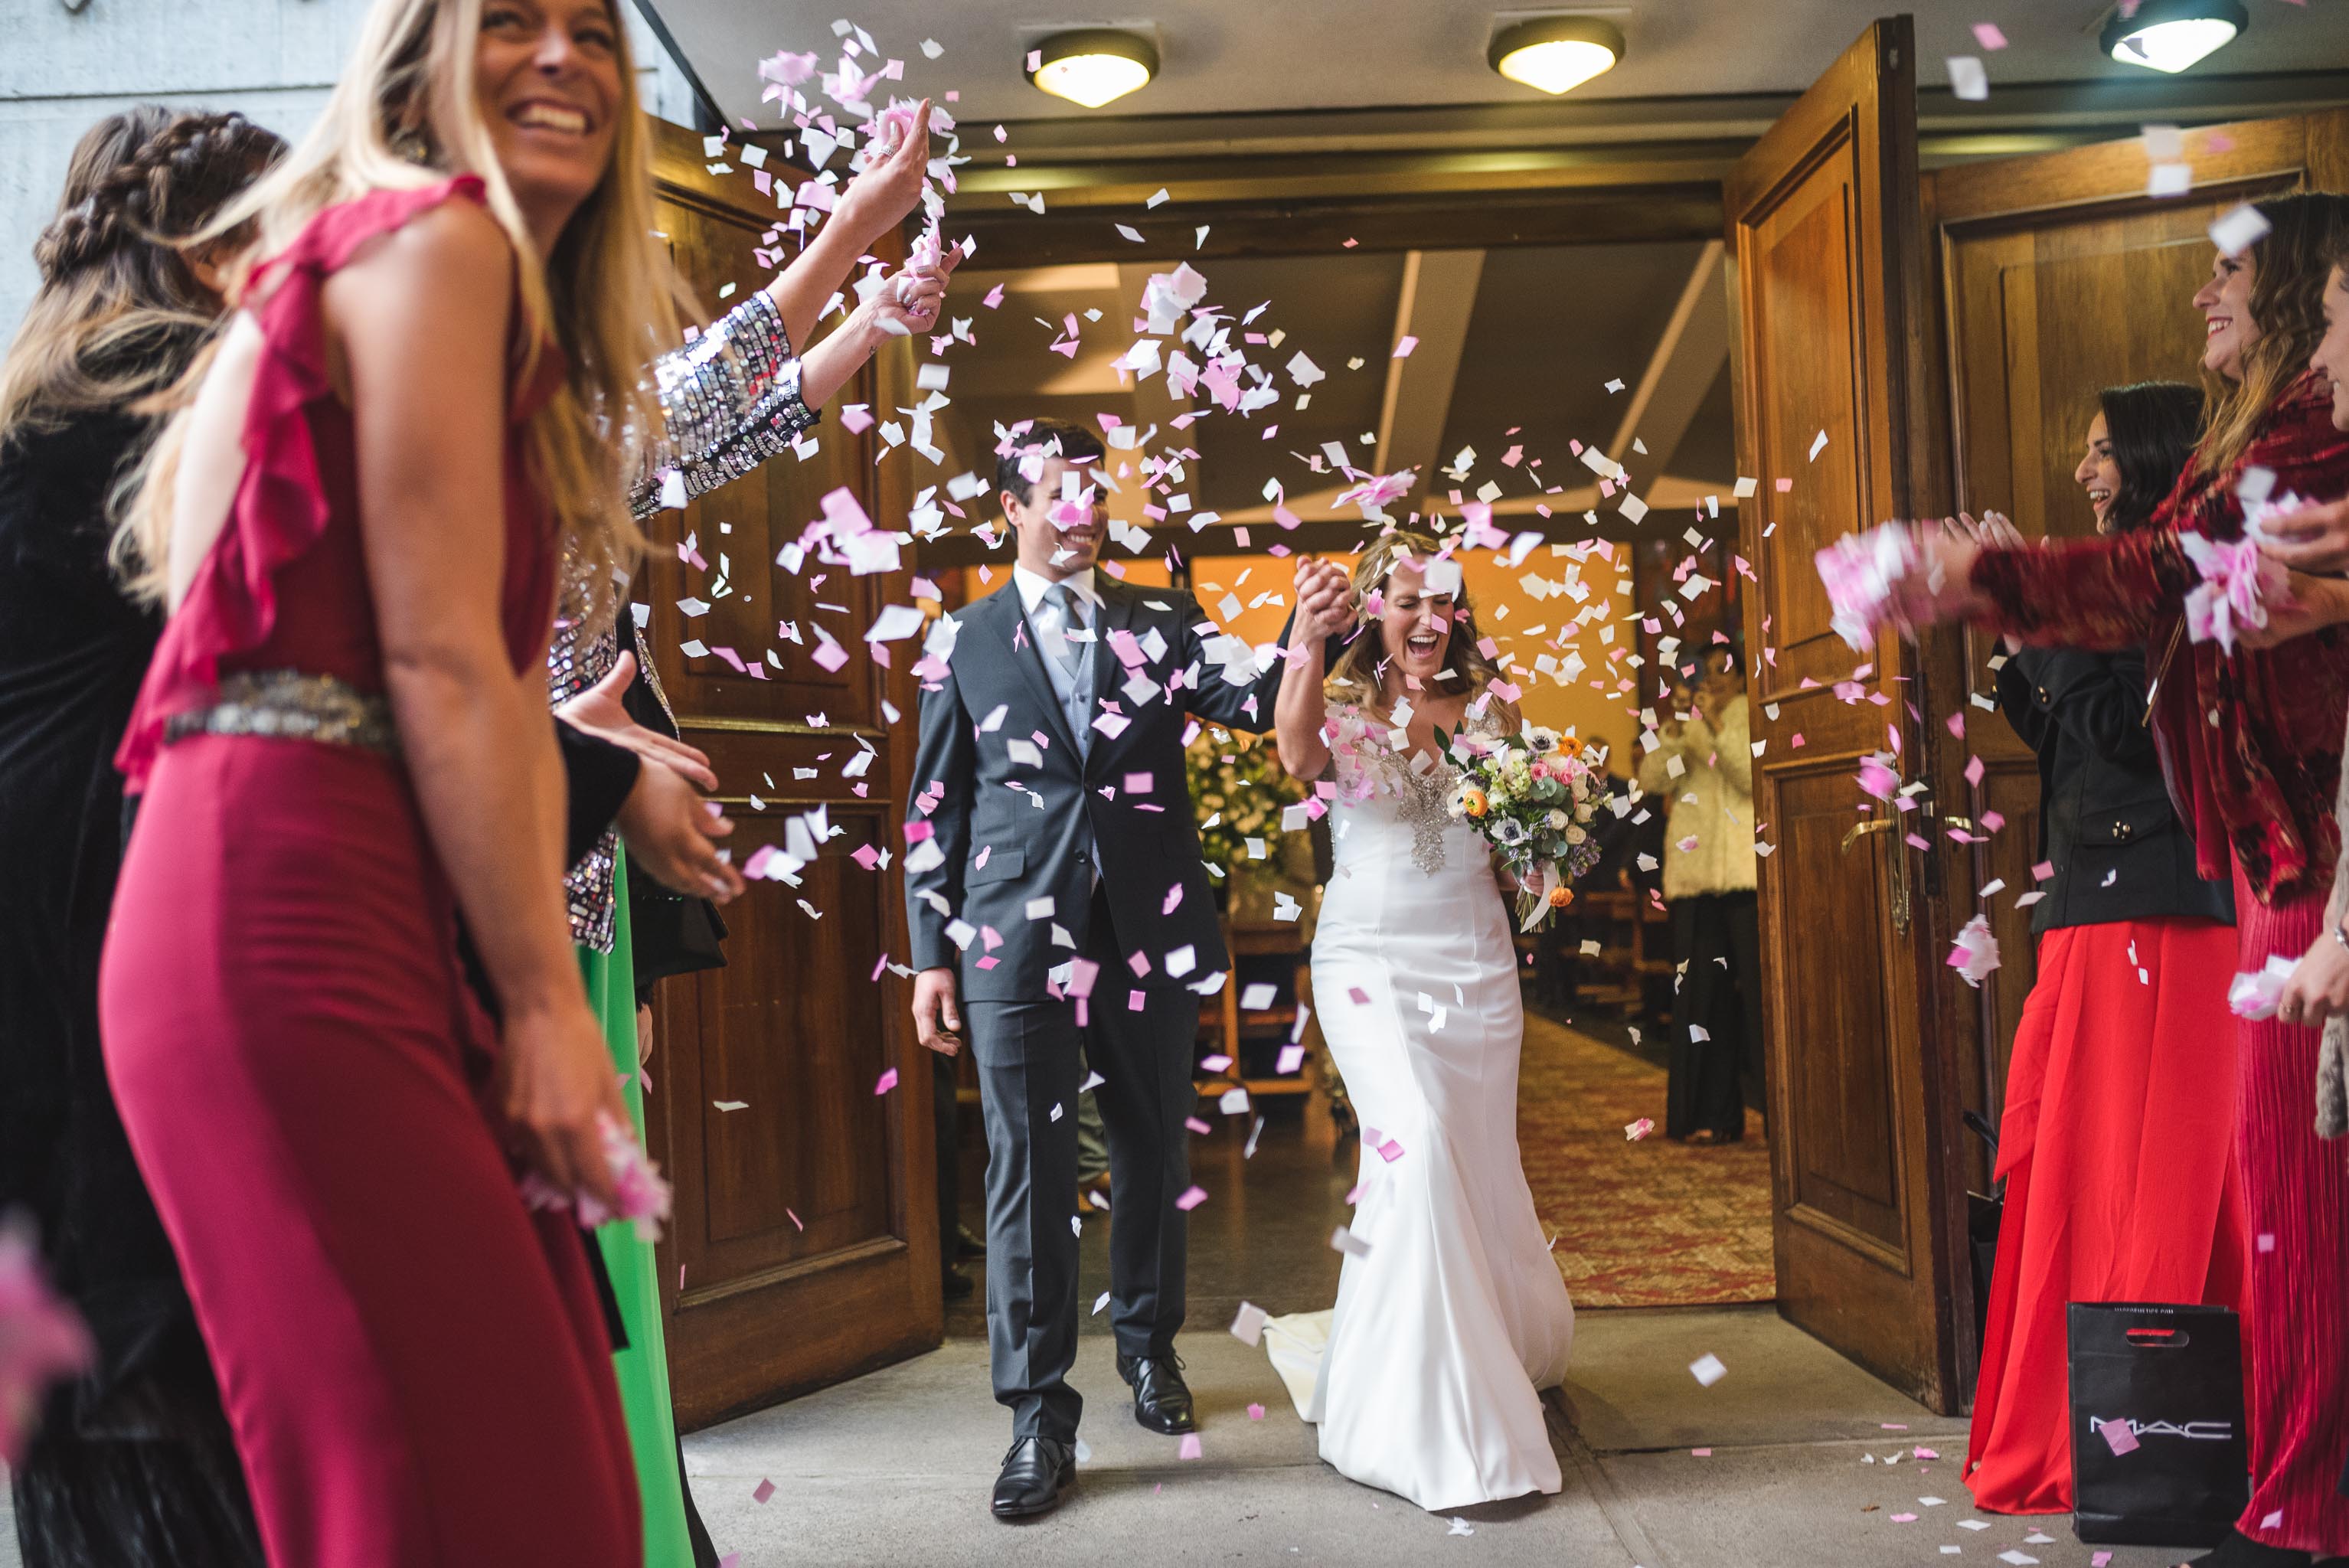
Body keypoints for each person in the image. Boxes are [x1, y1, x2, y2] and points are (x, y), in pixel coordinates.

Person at [1880, 191, 2349, 1568]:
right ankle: (2292, 1490)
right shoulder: (2257, 443)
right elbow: (2169, 587)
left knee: (2296, 1205)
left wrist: (1989, 577)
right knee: (2282, 1203)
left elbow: (2166, 583)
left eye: (2238, 279)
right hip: (2276, 855)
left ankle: (2300, 1507)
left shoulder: (2307, 444)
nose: (2206, 295)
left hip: (2294, 858)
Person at [902, 417, 1297, 1520]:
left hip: (1148, 920)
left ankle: (1148, 1350)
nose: (1083, 507)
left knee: (1151, 1144)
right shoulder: (962, 639)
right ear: (1011, 512)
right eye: (1058, 491)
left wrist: (1308, 634)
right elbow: (936, 803)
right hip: (1009, 932)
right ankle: (1036, 1412)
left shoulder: (1163, 618)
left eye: (1094, 488)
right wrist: (930, 951)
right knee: (1026, 1163)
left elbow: (1258, 701)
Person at [0, 105, 286, 1568]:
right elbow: (315, 673)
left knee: (75, 1435)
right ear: (205, 246)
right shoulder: (196, 399)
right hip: (131, 914)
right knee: (203, 1402)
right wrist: (586, 766)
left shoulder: (23, 412)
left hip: (24, 978)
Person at [1962, 382, 2244, 1517]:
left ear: (2146, 456)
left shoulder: (2178, 579)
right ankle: (2106, 1421)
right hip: (2097, 910)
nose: (2083, 474)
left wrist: (2035, 608)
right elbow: (2068, 736)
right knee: (2086, 1162)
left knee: (2151, 1180)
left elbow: (2128, 738)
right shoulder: (2128, 579)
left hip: (2160, 922)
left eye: (2097, 454)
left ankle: (2165, 1440)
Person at [1263, 531, 1575, 1512]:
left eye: (1443, 600)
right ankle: (1418, 1407)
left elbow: (1517, 830)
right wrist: (1306, 644)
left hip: (1477, 965)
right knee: (1419, 1151)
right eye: (1406, 601)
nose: (1428, 619)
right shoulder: (1342, 702)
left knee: (1474, 1156)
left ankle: (1472, 1338)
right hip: (1369, 964)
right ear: (1371, 611)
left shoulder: (1490, 705)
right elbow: (1294, 754)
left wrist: (1547, 851)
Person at [1635, 643, 1759, 1144]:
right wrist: (1676, 736)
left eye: (1725, 673)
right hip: (1693, 879)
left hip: (1745, 875)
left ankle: (1782, 1122)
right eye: (1708, 675)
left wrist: (1711, 728)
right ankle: (1709, 1116)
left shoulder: (1752, 718)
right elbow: (1649, 780)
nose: (1716, 682)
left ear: (1743, 678)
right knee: (1699, 1003)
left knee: (1758, 999)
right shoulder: (1688, 724)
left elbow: (1748, 777)